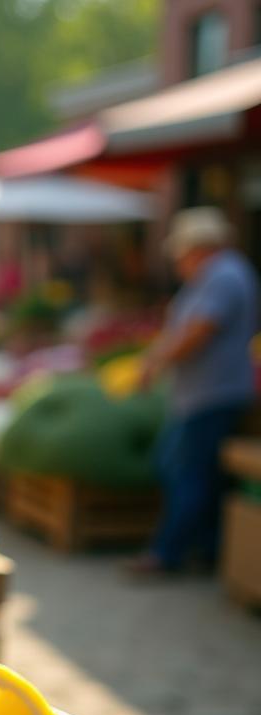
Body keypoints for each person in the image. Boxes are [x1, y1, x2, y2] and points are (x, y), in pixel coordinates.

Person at [128, 207, 259, 576]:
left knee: (188, 473)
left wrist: (156, 362)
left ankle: (169, 553)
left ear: (198, 248)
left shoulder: (225, 275)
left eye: (181, 254)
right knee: (182, 469)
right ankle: (207, 549)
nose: (178, 262)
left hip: (213, 393)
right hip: (197, 394)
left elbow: (200, 330)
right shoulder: (212, 276)